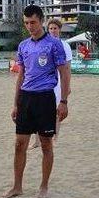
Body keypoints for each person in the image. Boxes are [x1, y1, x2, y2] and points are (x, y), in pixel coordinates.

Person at [2, 5, 71, 198]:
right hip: (26, 98)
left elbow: (64, 73)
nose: (29, 26)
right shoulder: (23, 45)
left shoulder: (53, 44)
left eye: (32, 22)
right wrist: (15, 103)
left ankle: (44, 187)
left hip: (45, 98)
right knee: (19, 145)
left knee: (46, 144)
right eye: (26, 23)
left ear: (41, 21)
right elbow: (21, 75)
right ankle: (17, 187)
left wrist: (64, 101)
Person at [30, 18, 73, 149]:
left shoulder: (65, 46)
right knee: (38, 112)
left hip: (59, 82)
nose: (53, 31)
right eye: (51, 28)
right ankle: (37, 141)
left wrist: (68, 85)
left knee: (56, 112)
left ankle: (55, 138)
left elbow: (68, 68)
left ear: (59, 30)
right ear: (47, 30)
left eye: (55, 28)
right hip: (44, 81)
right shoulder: (43, 44)